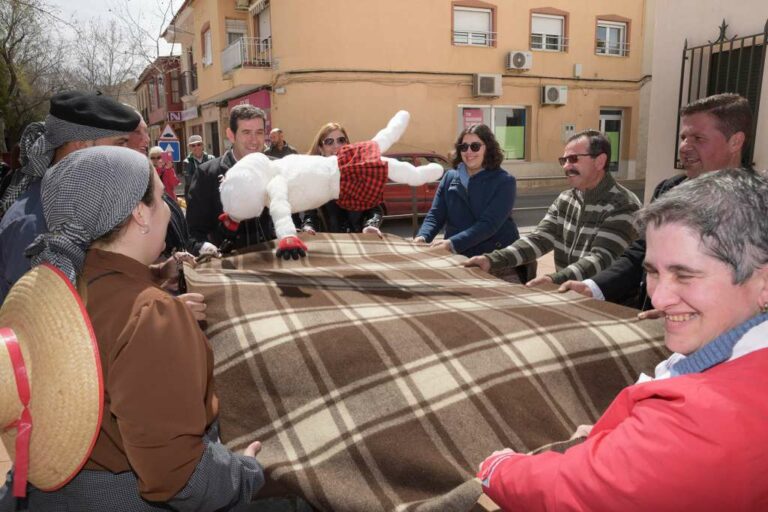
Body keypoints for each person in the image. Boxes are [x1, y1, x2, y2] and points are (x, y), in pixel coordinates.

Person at [478, 168, 768, 510]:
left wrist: (497, 469)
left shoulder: (703, 420)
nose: (659, 298)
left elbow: (581, 491)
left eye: (685, 275)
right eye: (653, 272)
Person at [0, 146, 264, 510]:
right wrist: (246, 474)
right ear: (140, 213)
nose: (168, 208)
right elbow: (179, 477)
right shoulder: (150, 315)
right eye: (161, 197)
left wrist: (151, 277)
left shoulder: (56, 284)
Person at [559, 93, 752, 312]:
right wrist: (592, 287)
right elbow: (641, 253)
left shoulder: (755, 204)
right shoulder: (669, 189)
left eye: (698, 138)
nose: (684, 147)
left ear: (735, 141)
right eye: (683, 138)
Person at [0, 91, 140, 304]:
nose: (129, 153)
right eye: (120, 143)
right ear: (82, 147)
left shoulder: (81, 206)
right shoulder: (33, 224)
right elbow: (42, 318)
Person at [464, 129, 641, 285]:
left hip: (609, 304)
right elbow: (538, 240)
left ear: (600, 161)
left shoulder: (623, 205)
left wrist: (553, 280)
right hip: (569, 296)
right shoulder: (565, 199)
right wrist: (490, 260)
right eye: (564, 160)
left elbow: (601, 260)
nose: (566, 166)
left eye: (573, 159)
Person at [414, 124, 520, 261]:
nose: (468, 151)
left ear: (488, 148)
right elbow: (435, 215)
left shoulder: (505, 181)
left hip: (495, 257)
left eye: (475, 146)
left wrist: (451, 244)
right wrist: (422, 237)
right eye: (464, 147)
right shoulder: (449, 177)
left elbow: (489, 224)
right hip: (457, 256)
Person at [186, 104, 274, 253]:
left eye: (259, 132)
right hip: (230, 263)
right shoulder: (207, 174)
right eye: (246, 132)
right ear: (231, 135)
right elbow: (193, 234)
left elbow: (295, 216)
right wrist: (207, 247)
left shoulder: (276, 167)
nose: (254, 140)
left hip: (276, 260)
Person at [301, 122, 384, 235]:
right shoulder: (315, 179)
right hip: (331, 242)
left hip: (360, 240)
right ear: (321, 149)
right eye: (329, 141)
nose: (336, 146)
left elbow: (375, 209)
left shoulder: (361, 173)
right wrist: (308, 228)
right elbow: (310, 216)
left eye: (341, 140)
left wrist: (371, 225)